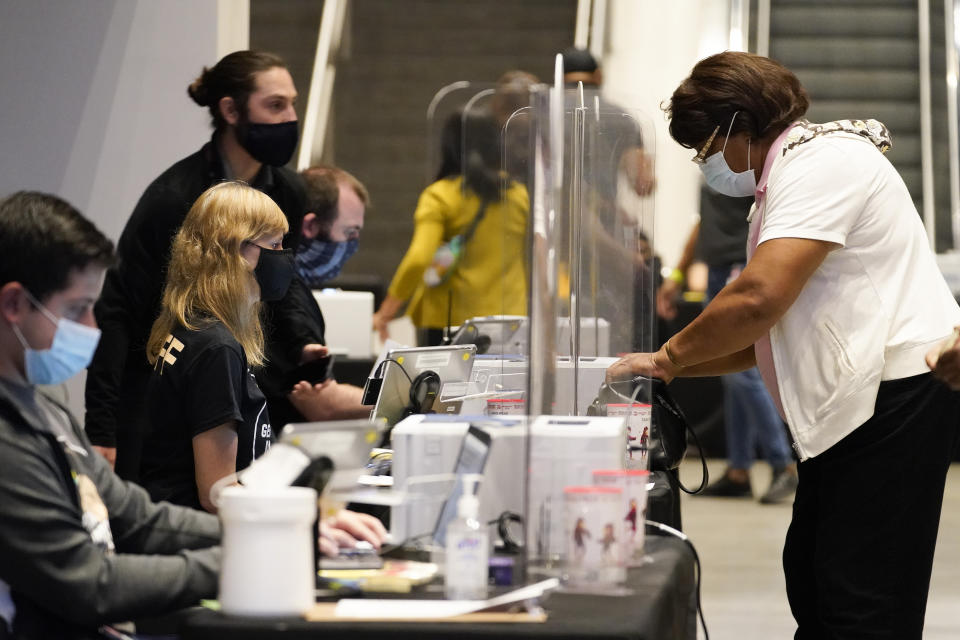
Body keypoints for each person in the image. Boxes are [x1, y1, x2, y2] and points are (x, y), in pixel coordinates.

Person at [607, 51, 960, 638]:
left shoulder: (824, 164)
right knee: (816, 577)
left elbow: (757, 298)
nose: (708, 163)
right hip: (855, 404)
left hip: (894, 396)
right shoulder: (790, 177)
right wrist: (668, 371)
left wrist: (668, 356)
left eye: (707, 147)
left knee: (863, 600)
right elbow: (764, 337)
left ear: (737, 128)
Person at [0, 191, 384, 639]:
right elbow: (91, 584)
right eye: (75, 309)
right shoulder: (8, 442)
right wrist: (255, 550)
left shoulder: (44, 409)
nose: (92, 328)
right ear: (14, 305)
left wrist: (279, 525)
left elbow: (136, 515)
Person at [85, 50, 329, 478]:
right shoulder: (173, 198)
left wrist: (304, 340)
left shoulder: (287, 188)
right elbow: (119, 311)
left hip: (250, 381)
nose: (290, 116)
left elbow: (284, 278)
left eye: (292, 103)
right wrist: (102, 429)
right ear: (231, 110)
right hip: (176, 389)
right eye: (275, 105)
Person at [659, 184, 797, 504]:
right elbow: (704, 222)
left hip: (742, 263)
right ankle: (739, 470)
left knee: (743, 375)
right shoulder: (712, 165)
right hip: (718, 267)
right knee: (733, 380)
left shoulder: (747, 158)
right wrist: (678, 274)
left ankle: (783, 465)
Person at [372, 111, 529, 346]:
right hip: (509, 318)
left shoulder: (440, 195)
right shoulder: (518, 194)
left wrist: (386, 311)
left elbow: (419, 258)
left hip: (448, 320)